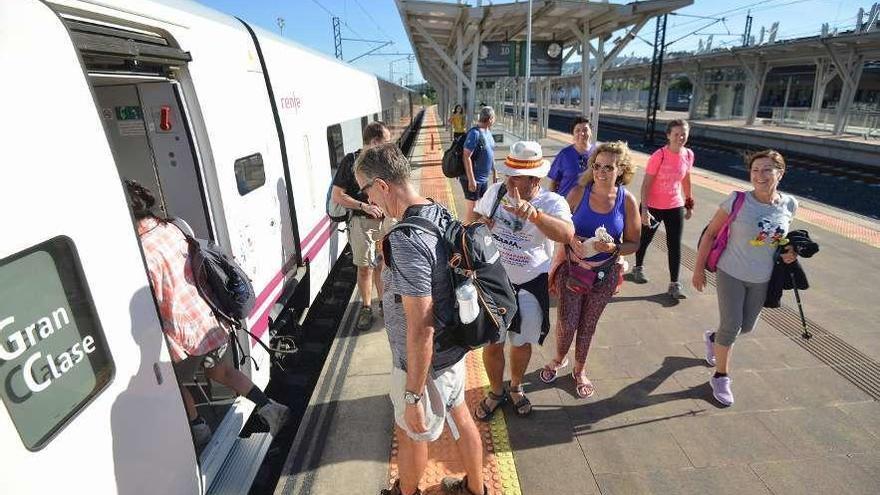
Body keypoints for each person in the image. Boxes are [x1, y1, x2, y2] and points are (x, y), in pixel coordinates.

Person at [355, 144, 487, 495]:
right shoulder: (435, 209)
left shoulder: (407, 238)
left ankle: (405, 492)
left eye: (365, 189)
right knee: (461, 419)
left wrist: (413, 395)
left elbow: (421, 325)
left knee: (411, 435)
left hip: (423, 364)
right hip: (453, 349)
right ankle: (476, 489)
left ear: (382, 186)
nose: (367, 199)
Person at [125, 180, 289, 447]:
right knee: (220, 371)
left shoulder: (140, 251)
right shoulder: (171, 226)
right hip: (211, 317)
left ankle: (200, 434)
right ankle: (271, 407)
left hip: (183, 333)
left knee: (176, 385)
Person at [472, 141, 574, 420]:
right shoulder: (496, 192)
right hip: (493, 282)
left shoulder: (552, 202)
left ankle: (515, 387)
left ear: (536, 178)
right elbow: (474, 223)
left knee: (521, 342)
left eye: (520, 178)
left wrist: (536, 216)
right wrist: (482, 226)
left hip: (530, 283)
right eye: (510, 175)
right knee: (492, 342)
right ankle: (495, 391)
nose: (513, 183)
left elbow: (567, 234)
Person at [693, 150, 798, 407]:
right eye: (755, 170)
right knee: (731, 325)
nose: (759, 175)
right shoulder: (737, 201)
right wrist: (698, 269)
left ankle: (712, 338)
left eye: (766, 170)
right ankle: (720, 376)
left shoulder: (790, 204)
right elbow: (709, 234)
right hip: (732, 272)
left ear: (780, 174)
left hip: (762, 277)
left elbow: (780, 238)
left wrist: (789, 253)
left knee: (746, 326)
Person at [539, 142, 641, 398]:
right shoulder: (577, 193)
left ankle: (579, 370)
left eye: (609, 167)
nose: (601, 172)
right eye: (597, 166)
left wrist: (614, 248)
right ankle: (559, 358)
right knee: (567, 321)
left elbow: (633, 243)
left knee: (588, 325)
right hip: (573, 270)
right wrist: (569, 239)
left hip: (604, 275)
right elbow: (559, 226)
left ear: (621, 170)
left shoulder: (626, 201)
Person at [331, 121, 392, 331]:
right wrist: (363, 206)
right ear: (375, 141)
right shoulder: (351, 161)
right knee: (365, 267)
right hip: (361, 224)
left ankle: (383, 302)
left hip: (383, 221)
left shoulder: (384, 160)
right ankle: (366, 307)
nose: (389, 145)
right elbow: (337, 195)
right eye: (386, 141)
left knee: (383, 265)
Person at [631, 119, 695, 299]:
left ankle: (674, 284)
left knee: (675, 245)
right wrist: (644, 211)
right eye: (676, 134)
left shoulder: (688, 155)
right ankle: (638, 267)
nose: (680, 137)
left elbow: (686, 180)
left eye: (684, 134)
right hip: (653, 207)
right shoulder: (659, 156)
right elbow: (645, 186)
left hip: (675, 205)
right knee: (645, 239)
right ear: (668, 135)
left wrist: (689, 204)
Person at [461, 106, 497, 222]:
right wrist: (471, 180)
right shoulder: (474, 133)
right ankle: (464, 235)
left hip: (483, 179)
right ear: (490, 119)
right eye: (494, 118)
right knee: (473, 209)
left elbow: (490, 154)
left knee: (481, 208)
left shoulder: (488, 133)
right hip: (473, 178)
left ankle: (474, 233)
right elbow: (466, 156)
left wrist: (494, 172)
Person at [547, 116, 595, 197]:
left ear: (591, 132)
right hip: (565, 204)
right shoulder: (564, 154)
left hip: (588, 205)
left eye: (585, 130)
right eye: (577, 130)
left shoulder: (598, 154)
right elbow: (553, 182)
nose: (582, 133)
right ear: (573, 133)